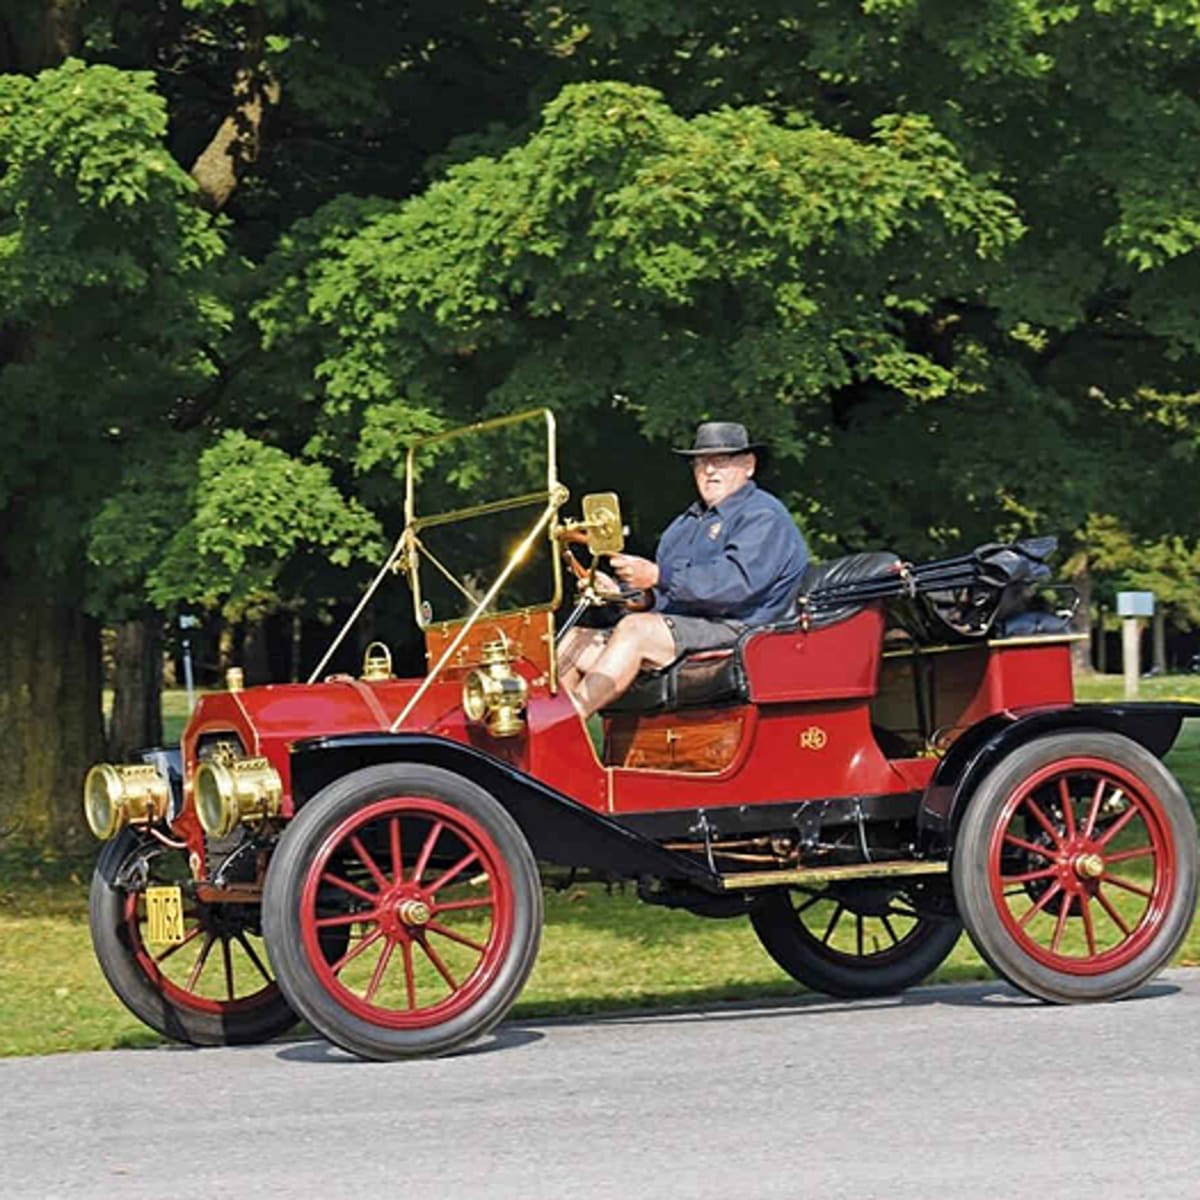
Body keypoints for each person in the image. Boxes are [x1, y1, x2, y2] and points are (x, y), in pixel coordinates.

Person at [560, 421, 809, 717]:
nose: (710, 471)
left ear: (749, 466)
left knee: (635, 630)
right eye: (701, 462)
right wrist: (631, 597)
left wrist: (658, 576)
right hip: (688, 627)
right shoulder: (682, 526)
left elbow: (734, 585)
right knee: (575, 638)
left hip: (746, 628)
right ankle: (537, 738)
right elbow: (667, 598)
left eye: (721, 461)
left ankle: (564, 725)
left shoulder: (763, 515)